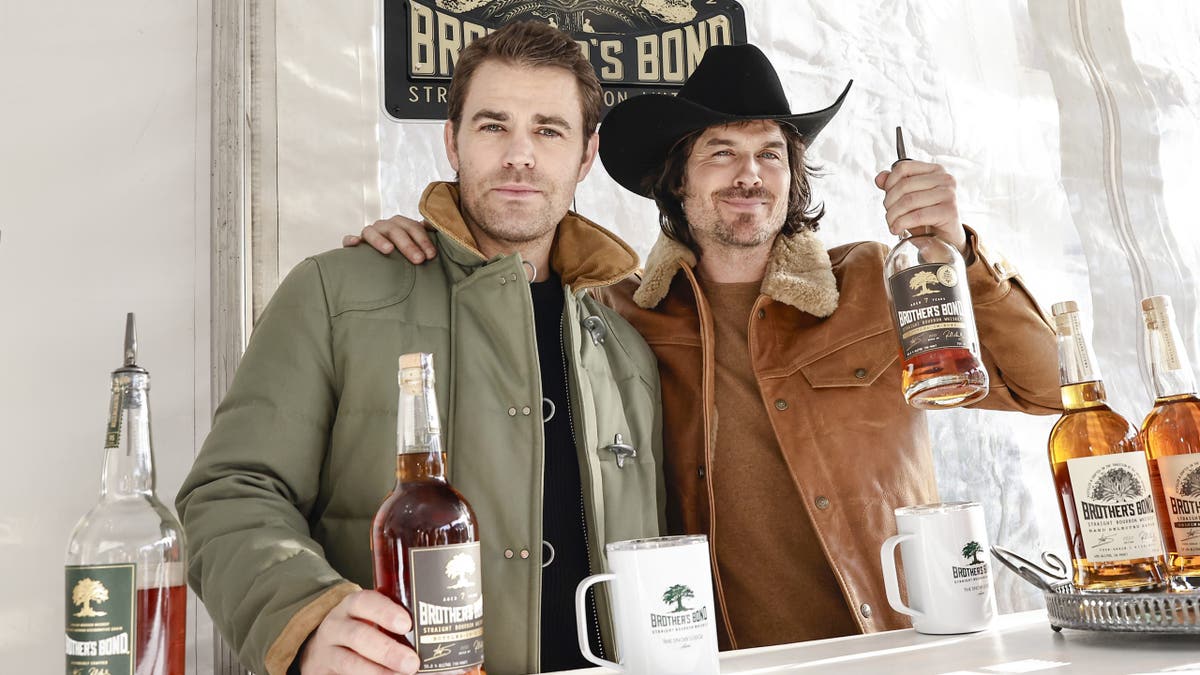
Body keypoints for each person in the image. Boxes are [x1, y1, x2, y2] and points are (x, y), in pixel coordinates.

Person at [353, 43, 1063, 652]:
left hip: (888, 647)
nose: (749, 175)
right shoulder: (612, 314)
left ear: (793, 176)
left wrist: (962, 249)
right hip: (710, 656)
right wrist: (418, 240)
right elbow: (503, 299)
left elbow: (1048, 385)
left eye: (770, 154)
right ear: (678, 179)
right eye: (722, 152)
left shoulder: (880, 280)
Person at [177, 21, 665, 675]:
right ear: (452, 142)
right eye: (493, 125)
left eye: (548, 129)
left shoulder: (624, 349)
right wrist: (310, 615)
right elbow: (230, 491)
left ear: (584, 155)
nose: (520, 154)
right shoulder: (335, 292)